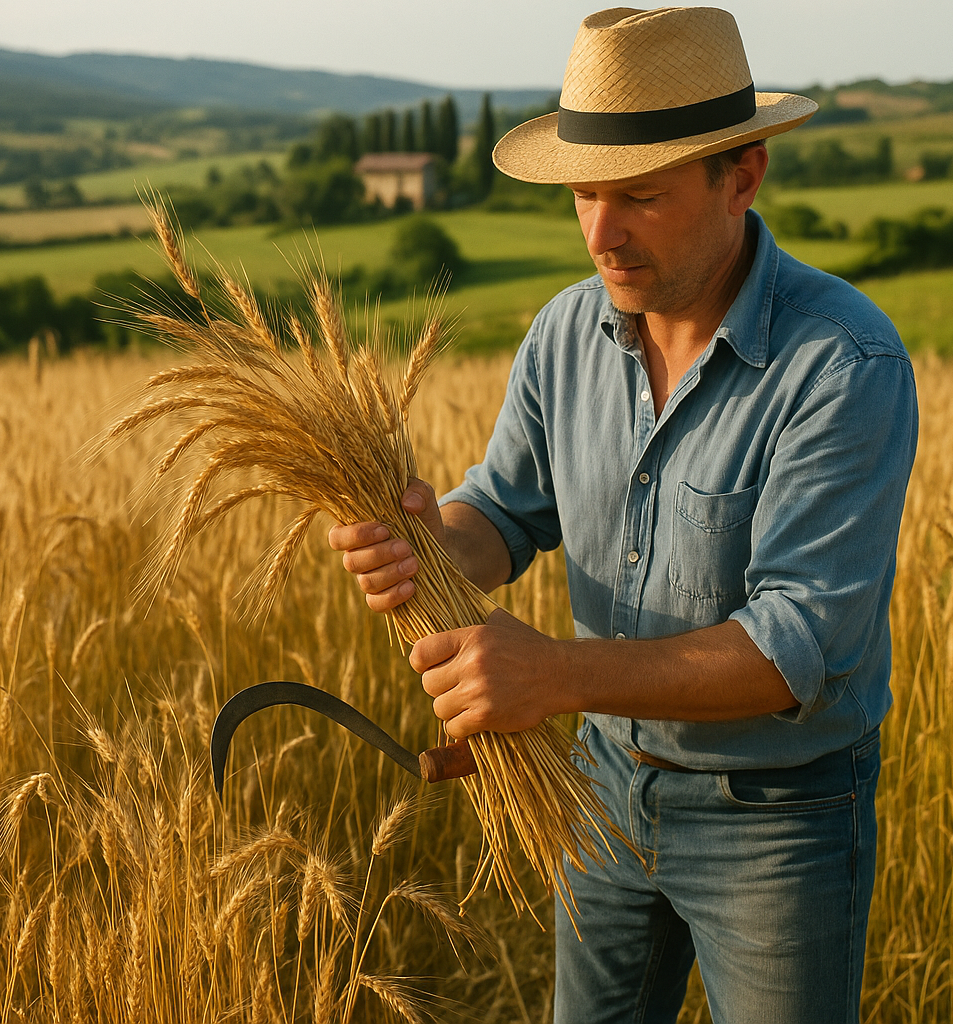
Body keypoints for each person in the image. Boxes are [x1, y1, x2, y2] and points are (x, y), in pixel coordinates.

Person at [329, 7, 918, 1023]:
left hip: (776, 822)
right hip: (599, 793)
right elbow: (504, 514)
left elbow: (796, 648)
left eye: (638, 196)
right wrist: (428, 541)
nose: (601, 232)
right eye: (586, 194)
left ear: (742, 175)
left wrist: (552, 675)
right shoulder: (564, 333)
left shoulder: (840, 367)